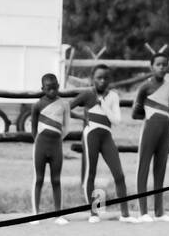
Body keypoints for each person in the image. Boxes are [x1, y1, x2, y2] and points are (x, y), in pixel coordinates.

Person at [71, 65, 130, 222]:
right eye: (99, 77)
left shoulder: (113, 96)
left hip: (107, 137)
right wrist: (81, 118)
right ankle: (93, 213)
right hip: (91, 135)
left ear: (109, 80)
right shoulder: (87, 95)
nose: (102, 81)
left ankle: (125, 214)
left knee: (119, 174)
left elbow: (116, 120)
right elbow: (66, 108)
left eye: (105, 78)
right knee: (91, 174)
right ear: (92, 79)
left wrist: (103, 104)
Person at [132, 54, 169, 222]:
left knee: (160, 168)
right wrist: (150, 112)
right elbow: (135, 113)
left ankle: (159, 211)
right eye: (158, 64)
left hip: (166, 129)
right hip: (149, 127)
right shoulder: (145, 87)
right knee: (143, 167)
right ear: (151, 67)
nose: (162, 67)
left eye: (165, 64)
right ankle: (143, 212)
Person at [30, 74, 71, 223]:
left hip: (56, 146)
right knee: (39, 179)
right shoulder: (37, 105)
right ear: (43, 89)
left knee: (56, 180)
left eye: (55, 88)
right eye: (49, 88)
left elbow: (67, 127)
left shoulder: (64, 104)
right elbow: (33, 128)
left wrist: (58, 138)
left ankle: (58, 215)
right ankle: (36, 215)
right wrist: (39, 141)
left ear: (58, 86)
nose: (52, 91)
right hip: (40, 145)